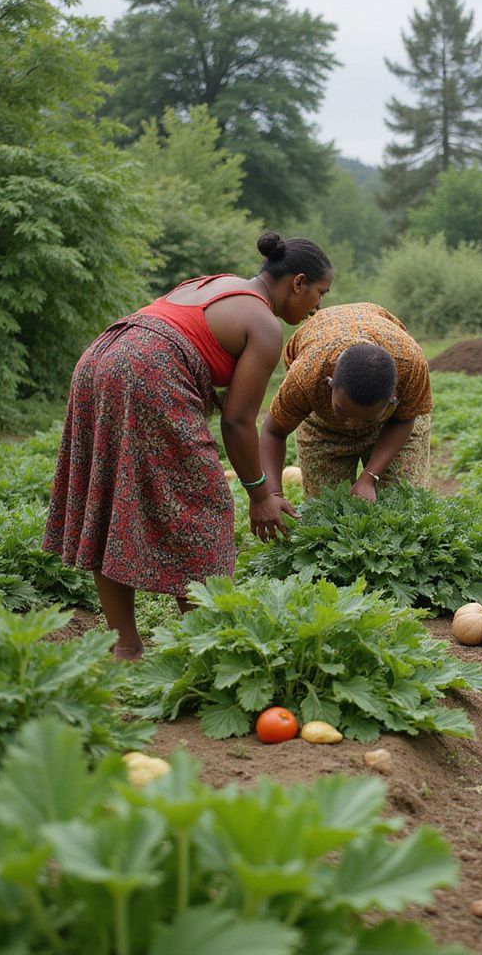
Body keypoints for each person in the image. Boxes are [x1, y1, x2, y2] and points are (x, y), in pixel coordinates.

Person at [43, 231, 333, 660]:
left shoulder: (217, 283)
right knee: (206, 506)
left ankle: (125, 646)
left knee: (110, 498)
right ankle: (208, 644)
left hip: (100, 359)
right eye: (319, 294)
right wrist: (260, 496)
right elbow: (237, 422)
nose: (317, 307)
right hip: (148, 370)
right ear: (298, 282)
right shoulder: (265, 325)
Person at [260, 303, 432, 502]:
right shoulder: (307, 375)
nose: (351, 425)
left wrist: (369, 477)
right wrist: (272, 495)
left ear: (393, 398)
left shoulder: (411, 366)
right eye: (342, 412)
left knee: (403, 501)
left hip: (391, 424)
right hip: (323, 427)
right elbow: (273, 431)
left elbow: (405, 420)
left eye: (365, 420)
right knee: (327, 507)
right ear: (330, 383)